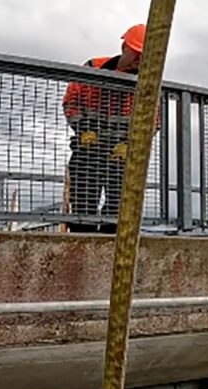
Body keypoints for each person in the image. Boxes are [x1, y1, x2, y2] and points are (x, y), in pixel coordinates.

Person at [62, 24, 147, 234]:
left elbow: (152, 120)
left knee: (120, 208)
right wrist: (83, 129)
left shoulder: (146, 83)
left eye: (143, 57)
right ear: (124, 47)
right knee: (83, 203)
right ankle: (83, 242)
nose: (138, 61)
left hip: (122, 153)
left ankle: (111, 247)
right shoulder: (93, 67)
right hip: (88, 147)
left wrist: (129, 144)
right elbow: (71, 102)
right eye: (136, 54)